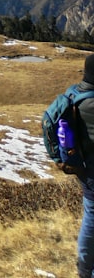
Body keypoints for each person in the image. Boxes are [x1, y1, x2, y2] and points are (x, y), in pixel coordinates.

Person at [72, 54, 94, 278]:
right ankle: (86, 270)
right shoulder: (91, 104)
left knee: (91, 216)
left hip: (85, 169)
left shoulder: (76, 93)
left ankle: (85, 268)